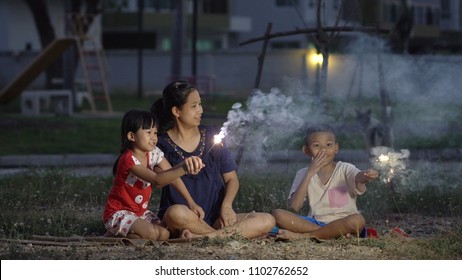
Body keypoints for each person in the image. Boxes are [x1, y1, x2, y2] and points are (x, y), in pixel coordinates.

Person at [150, 80, 275, 239]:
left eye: (200, 104)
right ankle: (222, 236)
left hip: (217, 218)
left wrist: (227, 205)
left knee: (267, 220)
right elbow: (159, 180)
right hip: (185, 219)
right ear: (176, 111)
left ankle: (205, 236)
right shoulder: (161, 145)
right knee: (175, 213)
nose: (200, 110)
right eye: (194, 106)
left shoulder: (212, 135)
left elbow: (231, 179)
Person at [103, 109, 205, 241]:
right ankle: (113, 234)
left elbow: (173, 176)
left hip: (140, 213)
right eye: (148, 132)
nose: (154, 137)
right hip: (119, 212)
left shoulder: (153, 153)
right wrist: (184, 167)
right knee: (152, 234)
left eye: (155, 132)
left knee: (164, 234)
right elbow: (157, 180)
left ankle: (122, 233)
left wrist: (191, 203)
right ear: (131, 136)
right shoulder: (128, 159)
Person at [271, 123, 379, 240]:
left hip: (344, 222)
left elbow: (358, 177)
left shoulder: (345, 168)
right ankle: (332, 234)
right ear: (306, 150)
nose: (323, 150)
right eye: (317, 145)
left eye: (328, 145)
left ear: (336, 148)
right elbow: (295, 206)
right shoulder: (303, 174)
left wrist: (366, 174)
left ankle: (303, 236)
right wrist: (309, 174)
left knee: (358, 220)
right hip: (315, 223)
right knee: (278, 214)